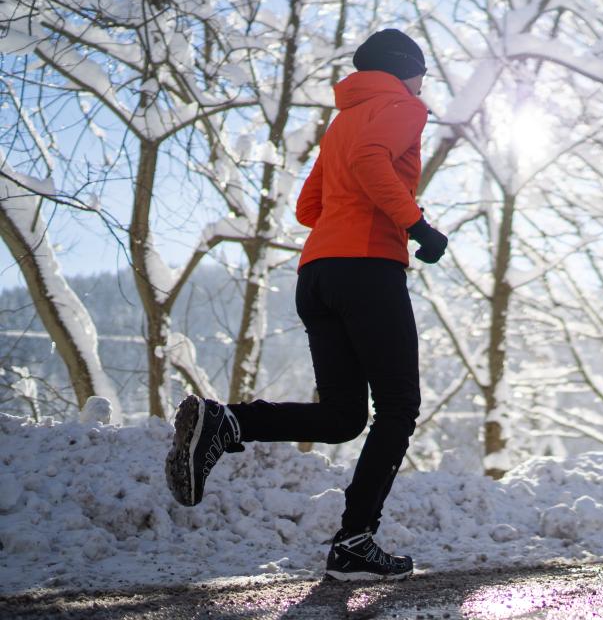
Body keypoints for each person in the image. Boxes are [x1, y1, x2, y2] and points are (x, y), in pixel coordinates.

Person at [164, 29, 448, 581]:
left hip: (318, 274)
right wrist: (416, 224)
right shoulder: (404, 108)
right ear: (402, 68)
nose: (423, 83)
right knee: (398, 407)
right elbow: (371, 164)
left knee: (343, 417)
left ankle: (226, 423)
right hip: (367, 270)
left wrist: (360, 217)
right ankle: (354, 542)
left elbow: (308, 206)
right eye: (421, 71)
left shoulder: (344, 120)